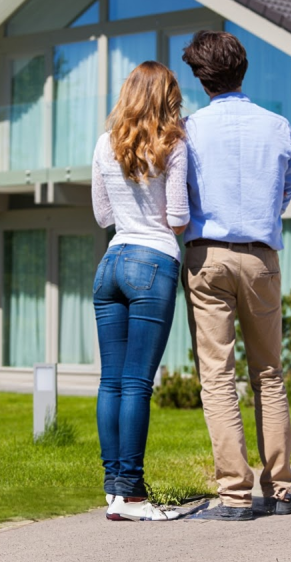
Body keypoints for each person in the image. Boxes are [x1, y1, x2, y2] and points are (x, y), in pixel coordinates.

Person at [180, 30, 291, 521]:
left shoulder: (187, 130)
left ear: (201, 78)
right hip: (260, 257)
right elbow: (286, 190)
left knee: (218, 377)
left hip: (207, 257)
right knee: (269, 375)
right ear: (241, 69)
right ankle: (280, 493)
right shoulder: (278, 126)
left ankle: (234, 496)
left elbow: (177, 194)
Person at [91, 61, 189, 522]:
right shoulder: (174, 144)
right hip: (153, 261)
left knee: (111, 381)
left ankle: (114, 488)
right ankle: (131, 496)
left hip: (110, 263)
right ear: (165, 97)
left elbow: (101, 215)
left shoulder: (104, 145)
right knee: (136, 384)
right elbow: (178, 218)